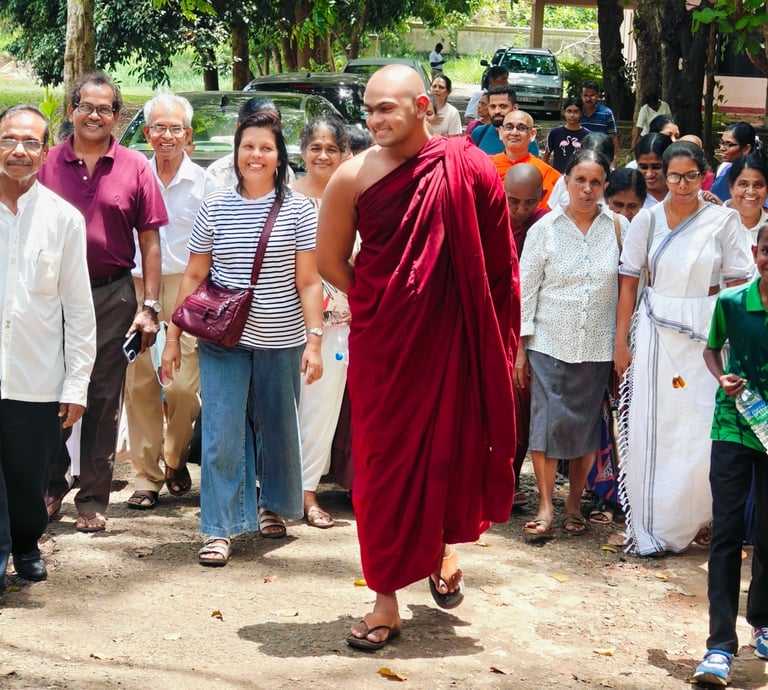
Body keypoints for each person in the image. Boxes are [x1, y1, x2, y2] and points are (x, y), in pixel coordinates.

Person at [316, 65, 518, 650]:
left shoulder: (469, 168)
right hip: (385, 347)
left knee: (445, 457)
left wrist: (494, 343)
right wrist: (384, 302)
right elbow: (330, 261)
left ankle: (440, 546)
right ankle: (385, 598)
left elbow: (498, 268)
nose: (375, 119)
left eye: (387, 108)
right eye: (369, 109)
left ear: (424, 106)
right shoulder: (352, 177)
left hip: (452, 343)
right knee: (379, 469)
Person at [162, 110, 323, 566]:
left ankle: (272, 505)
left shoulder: (299, 209)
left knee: (276, 426)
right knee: (221, 431)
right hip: (223, 339)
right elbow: (194, 274)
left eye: (265, 148)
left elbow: (309, 281)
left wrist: (314, 340)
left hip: (282, 338)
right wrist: (174, 336)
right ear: (236, 153)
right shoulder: (214, 205)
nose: (256, 155)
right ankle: (220, 527)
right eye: (248, 146)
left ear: (279, 157)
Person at [38, 71, 167, 533]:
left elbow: (150, 240)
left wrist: (149, 306)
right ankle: (50, 487)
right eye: (86, 107)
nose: (94, 116)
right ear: (72, 110)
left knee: (103, 395)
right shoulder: (45, 163)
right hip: (50, 296)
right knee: (49, 390)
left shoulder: (135, 166)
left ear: (116, 115)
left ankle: (92, 498)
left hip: (113, 294)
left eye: (104, 109)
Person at [614, 141, 753, 557]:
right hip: (657, 332)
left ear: (702, 175)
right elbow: (629, 283)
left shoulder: (722, 220)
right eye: (674, 176)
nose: (682, 184)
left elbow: (738, 284)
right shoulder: (648, 220)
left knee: (702, 426)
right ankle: (657, 525)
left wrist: (739, 341)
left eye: (691, 176)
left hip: (707, 335)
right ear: (662, 176)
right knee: (658, 426)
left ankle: (702, 518)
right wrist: (621, 342)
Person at [0, 105, 96, 583]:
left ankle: (25, 541)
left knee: (26, 479)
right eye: (8, 139)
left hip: (35, 378)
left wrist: (76, 383)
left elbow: (78, 309)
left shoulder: (64, 220)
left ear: (45, 152)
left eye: (30, 142)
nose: (18, 150)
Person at [516, 149, 625, 539]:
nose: (587, 189)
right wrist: (520, 349)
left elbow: (630, 287)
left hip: (597, 346)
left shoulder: (618, 228)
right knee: (545, 424)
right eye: (580, 180)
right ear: (566, 181)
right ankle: (546, 506)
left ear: (605, 185)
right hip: (548, 342)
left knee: (584, 428)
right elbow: (526, 291)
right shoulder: (544, 229)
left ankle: (574, 503)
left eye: (595, 182)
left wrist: (622, 343)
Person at [123, 93, 215, 509]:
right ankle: (146, 476)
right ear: (146, 132)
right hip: (136, 283)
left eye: (175, 128)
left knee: (181, 385)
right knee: (140, 380)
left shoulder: (205, 184)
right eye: (158, 127)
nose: (166, 136)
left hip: (186, 284)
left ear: (188, 134)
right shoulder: (133, 175)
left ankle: (175, 457)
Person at [691, 224, 768, 686]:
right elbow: (711, 349)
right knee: (727, 533)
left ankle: (763, 621)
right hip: (733, 426)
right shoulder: (732, 302)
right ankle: (719, 646)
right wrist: (722, 378)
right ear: (757, 252)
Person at [291, 114, 351, 529]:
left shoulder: (353, 196)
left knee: (321, 409)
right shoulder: (285, 197)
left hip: (338, 322)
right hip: (285, 319)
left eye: (332, 148)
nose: (323, 155)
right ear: (303, 151)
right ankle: (275, 489)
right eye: (316, 148)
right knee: (284, 406)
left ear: (344, 153)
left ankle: (307, 491)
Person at [503, 164, 548, 509]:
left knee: (519, 408)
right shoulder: (489, 218)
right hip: (493, 320)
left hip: (529, 327)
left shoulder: (546, 225)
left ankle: (511, 480)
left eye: (529, 202)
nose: (520, 210)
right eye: (513, 201)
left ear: (542, 197)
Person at [490, 110, 560, 208]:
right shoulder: (487, 165)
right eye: (509, 127)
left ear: (532, 134)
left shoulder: (546, 172)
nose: (514, 133)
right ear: (501, 132)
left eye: (521, 128)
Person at [710, 122, 759, 203]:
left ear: (746, 149)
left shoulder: (757, 175)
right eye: (722, 143)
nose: (722, 148)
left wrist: (721, 205)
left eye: (729, 144)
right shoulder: (725, 168)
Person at [542, 97, 590, 173]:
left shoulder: (588, 135)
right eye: (569, 111)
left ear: (581, 114)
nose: (572, 115)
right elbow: (545, 158)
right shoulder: (554, 133)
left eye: (576, 112)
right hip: (558, 175)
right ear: (564, 112)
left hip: (579, 176)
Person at [579, 80, 618, 166]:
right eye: (585, 95)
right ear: (581, 95)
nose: (588, 99)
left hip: (601, 157)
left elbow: (613, 138)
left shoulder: (606, 113)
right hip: (580, 157)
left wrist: (614, 161)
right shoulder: (577, 113)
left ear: (597, 95)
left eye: (592, 95)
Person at [635, 132, 673, 207]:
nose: (649, 174)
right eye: (644, 167)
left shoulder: (685, 194)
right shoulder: (628, 196)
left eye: (656, 167)